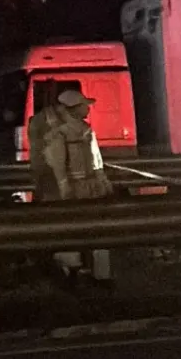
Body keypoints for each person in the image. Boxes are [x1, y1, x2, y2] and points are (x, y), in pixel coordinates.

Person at [32, 88, 113, 279]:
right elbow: (58, 163)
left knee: (96, 229)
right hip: (75, 189)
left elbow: (96, 159)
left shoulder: (85, 130)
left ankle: (100, 274)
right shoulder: (59, 134)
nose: (88, 109)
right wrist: (64, 187)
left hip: (90, 188)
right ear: (74, 108)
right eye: (84, 105)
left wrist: (103, 181)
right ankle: (74, 270)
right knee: (73, 227)